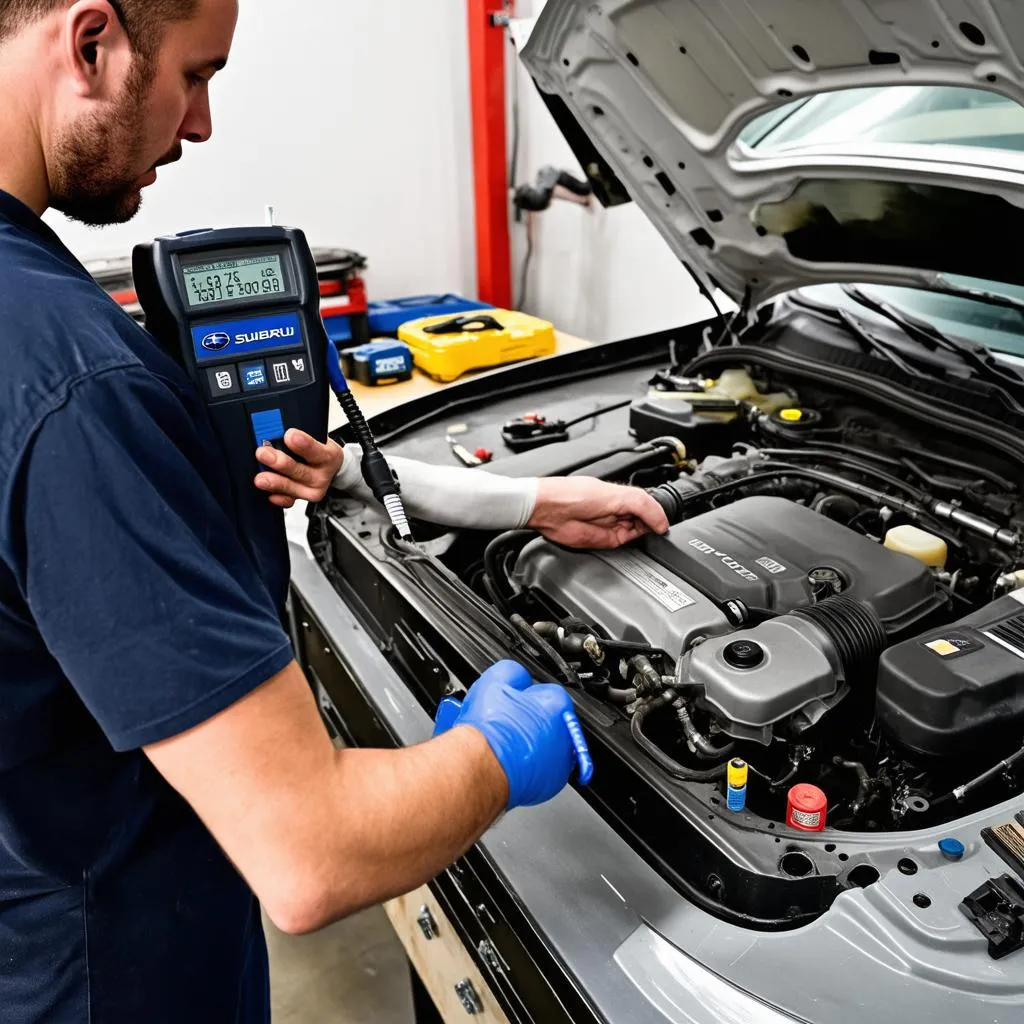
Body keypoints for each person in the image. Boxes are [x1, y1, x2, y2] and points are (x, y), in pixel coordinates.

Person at [0, 1, 669, 1021]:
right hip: (117, 959)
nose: (202, 124)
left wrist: (524, 499)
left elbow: (245, 472)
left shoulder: (35, 317)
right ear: (91, 44)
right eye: (196, 73)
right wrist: (500, 748)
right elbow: (310, 852)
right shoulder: (75, 384)